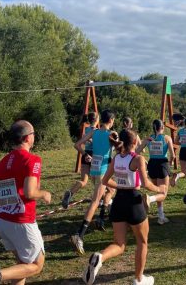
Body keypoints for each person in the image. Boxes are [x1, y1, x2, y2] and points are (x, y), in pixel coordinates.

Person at [83, 129, 166, 285]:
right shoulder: (138, 159)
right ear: (135, 143)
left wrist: (121, 185)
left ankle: (100, 256)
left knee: (119, 244)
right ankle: (139, 279)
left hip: (119, 201)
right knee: (142, 242)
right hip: (134, 202)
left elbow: (106, 181)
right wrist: (160, 189)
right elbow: (146, 183)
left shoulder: (116, 158)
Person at [0, 120, 52, 284]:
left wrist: (6, 196)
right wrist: (44, 194)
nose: (34, 137)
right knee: (36, 264)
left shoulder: (3, 161)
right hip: (21, 222)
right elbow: (30, 192)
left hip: (2, 221)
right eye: (33, 134)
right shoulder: (33, 160)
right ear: (27, 138)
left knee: (22, 266)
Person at [71, 110, 116, 255]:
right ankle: (79, 235)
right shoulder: (112, 134)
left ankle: (101, 218)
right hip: (103, 171)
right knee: (95, 201)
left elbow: (77, 145)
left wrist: (85, 155)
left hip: (94, 169)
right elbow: (121, 148)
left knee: (111, 191)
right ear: (111, 120)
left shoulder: (94, 132)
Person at [136, 119, 175, 225]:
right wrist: (171, 163)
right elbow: (173, 155)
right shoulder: (167, 138)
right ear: (162, 127)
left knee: (158, 190)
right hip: (162, 164)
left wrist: (143, 161)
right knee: (163, 193)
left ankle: (161, 216)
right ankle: (150, 199)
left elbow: (136, 152)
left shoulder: (148, 139)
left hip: (152, 165)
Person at [61, 112, 99, 209]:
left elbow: (83, 140)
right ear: (97, 120)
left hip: (85, 154)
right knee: (98, 181)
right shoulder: (96, 131)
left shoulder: (86, 129)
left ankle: (70, 192)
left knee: (84, 181)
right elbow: (97, 144)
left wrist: (85, 153)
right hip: (93, 156)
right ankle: (101, 200)